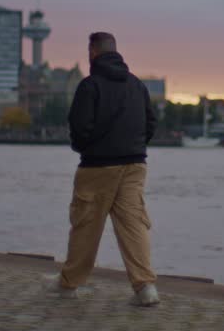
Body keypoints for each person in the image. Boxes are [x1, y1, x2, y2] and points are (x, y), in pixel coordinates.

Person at [46, 32, 159, 306]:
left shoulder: (90, 86)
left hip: (98, 166)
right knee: (134, 225)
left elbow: (79, 127)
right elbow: (151, 122)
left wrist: (87, 148)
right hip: (134, 165)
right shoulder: (137, 85)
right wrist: (134, 145)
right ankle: (145, 287)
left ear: (92, 52)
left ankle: (69, 284)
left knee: (86, 225)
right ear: (116, 52)